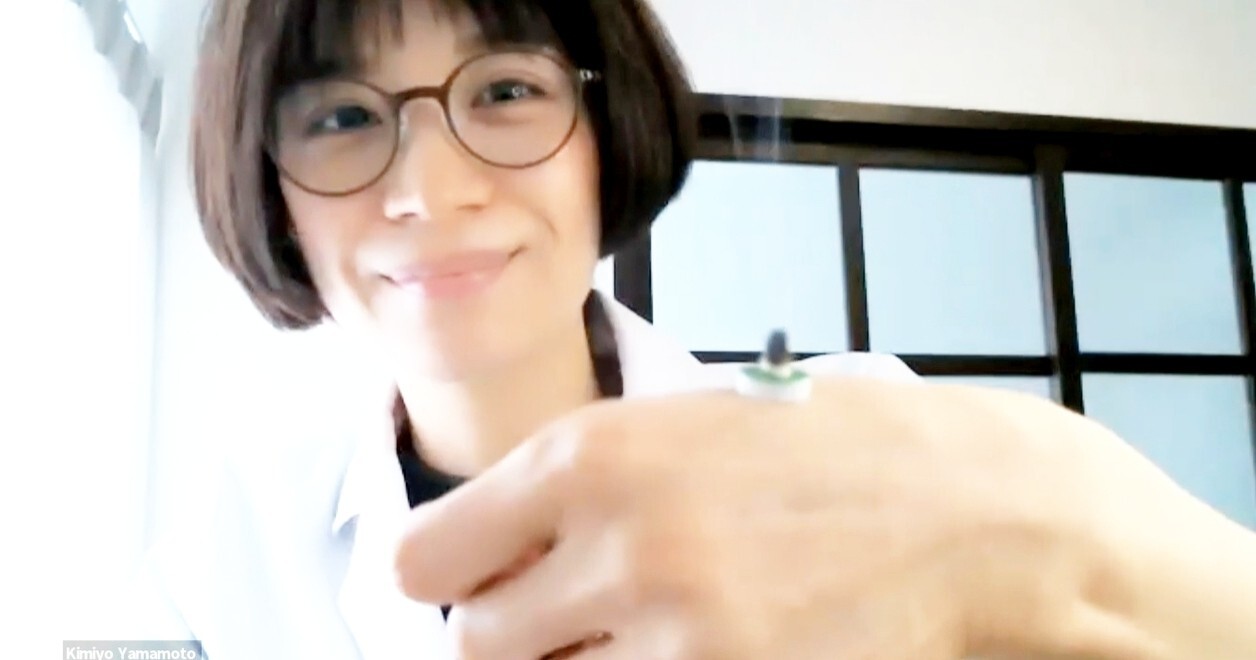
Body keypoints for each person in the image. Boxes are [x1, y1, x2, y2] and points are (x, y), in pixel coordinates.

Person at [146, 0, 1256, 657]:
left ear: (605, 127)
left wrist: (1051, 532)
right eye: (342, 116)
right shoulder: (227, 533)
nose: (429, 191)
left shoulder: (857, 435)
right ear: (268, 182)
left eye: (505, 92)